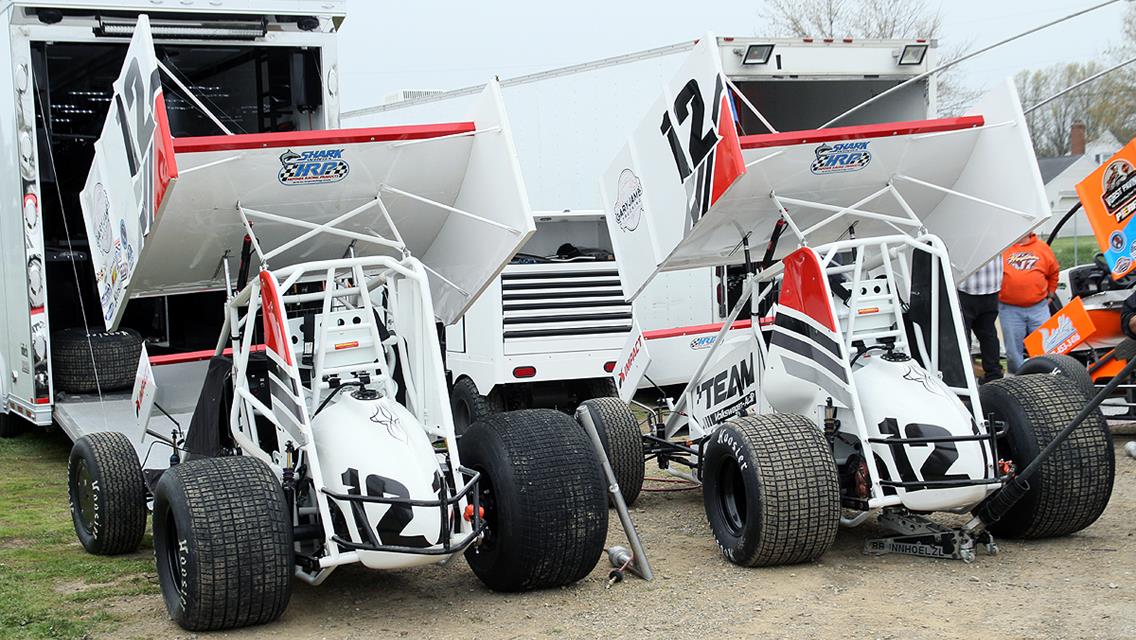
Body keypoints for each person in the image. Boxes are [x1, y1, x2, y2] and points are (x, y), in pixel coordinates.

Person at [999, 233, 1060, 373]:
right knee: (1013, 353)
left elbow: (1054, 273)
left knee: (1047, 348)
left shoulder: (1042, 248)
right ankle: (1019, 380)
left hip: (1038, 307)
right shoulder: (1003, 248)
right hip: (1009, 309)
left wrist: (1051, 293)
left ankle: (1047, 378)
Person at [958, 257, 1003, 383]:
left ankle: (964, 378)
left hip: (967, 289)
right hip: (991, 288)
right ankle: (993, 375)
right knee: (989, 335)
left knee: (963, 337)